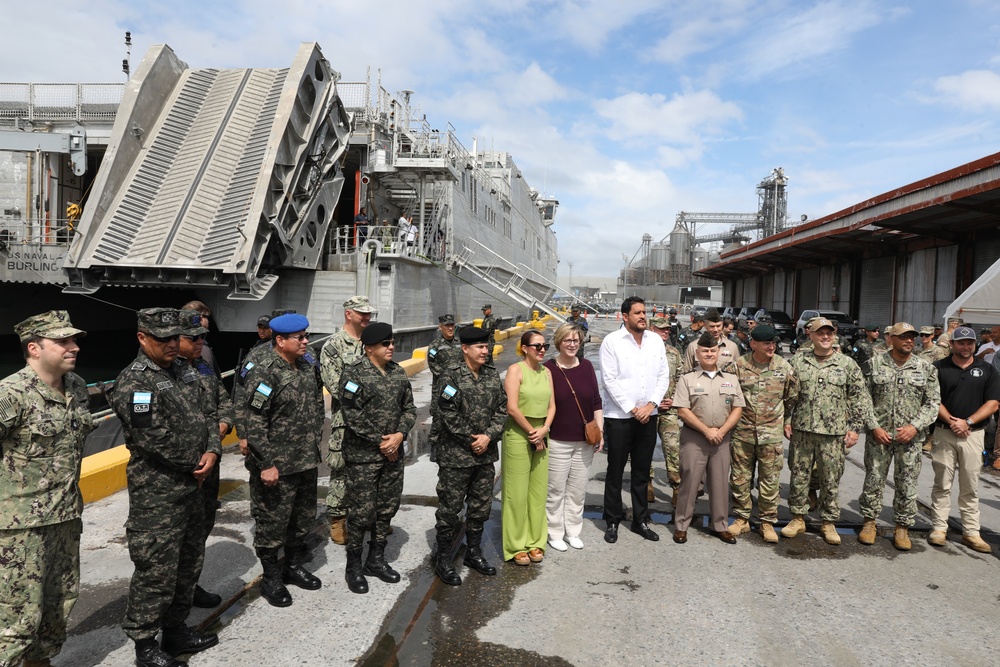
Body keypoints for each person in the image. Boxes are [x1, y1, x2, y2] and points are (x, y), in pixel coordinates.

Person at [109, 308, 220, 666]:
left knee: (189, 563)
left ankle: (176, 631)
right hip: (159, 495)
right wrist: (195, 462)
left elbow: (209, 414)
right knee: (156, 570)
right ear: (142, 338)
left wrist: (213, 450)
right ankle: (145, 645)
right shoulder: (134, 382)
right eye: (163, 339)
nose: (173, 344)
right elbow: (151, 437)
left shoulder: (185, 371)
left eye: (176, 337)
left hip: (194, 487)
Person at [0, 311, 93, 667]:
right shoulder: (11, 395)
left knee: (58, 608)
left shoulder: (78, 387)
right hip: (20, 530)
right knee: (16, 621)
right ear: (34, 348)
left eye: (74, 340)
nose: (74, 347)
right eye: (64, 341)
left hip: (66, 518)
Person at [242, 313, 325, 606]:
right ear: (280, 340)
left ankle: (291, 567)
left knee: (301, 519)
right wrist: (265, 463)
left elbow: (315, 402)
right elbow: (254, 421)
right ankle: (271, 577)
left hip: (304, 459)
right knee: (272, 523)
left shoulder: (305, 366)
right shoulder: (264, 372)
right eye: (299, 338)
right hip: (276, 464)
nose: (306, 342)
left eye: (306, 336)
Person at [782, 317, 876, 545]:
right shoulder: (798, 361)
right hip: (802, 430)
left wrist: (854, 429)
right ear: (811, 336)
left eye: (829, 333)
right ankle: (797, 517)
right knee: (799, 475)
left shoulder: (847, 364)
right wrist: (786, 419)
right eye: (820, 333)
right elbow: (787, 394)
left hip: (833, 434)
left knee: (830, 479)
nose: (825, 337)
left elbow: (860, 399)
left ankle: (828, 521)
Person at [339, 322, 416, 594]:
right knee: (361, 512)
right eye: (385, 344)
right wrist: (382, 441)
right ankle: (354, 566)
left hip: (392, 455)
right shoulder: (353, 374)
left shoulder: (397, 373)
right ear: (369, 347)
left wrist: (399, 434)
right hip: (364, 457)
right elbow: (352, 414)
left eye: (392, 342)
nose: (391, 347)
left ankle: (376, 559)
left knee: (386, 508)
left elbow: (409, 408)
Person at [433, 327, 507, 586]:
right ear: (465, 348)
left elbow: (502, 408)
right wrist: (472, 439)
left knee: (480, 506)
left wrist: (488, 436)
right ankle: (443, 558)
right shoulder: (450, 377)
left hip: (484, 455)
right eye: (480, 347)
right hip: (456, 456)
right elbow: (447, 413)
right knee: (450, 509)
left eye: (486, 347)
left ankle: (473, 553)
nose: (485, 351)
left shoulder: (491, 375)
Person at [857, 323, 940, 551]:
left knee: (907, 483)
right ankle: (869, 523)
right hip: (879, 436)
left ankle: (902, 527)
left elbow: (933, 403)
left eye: (912, 337)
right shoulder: (874, 365)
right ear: (891, 339)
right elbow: (864, 399)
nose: (909, 340)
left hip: (910, 439)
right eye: (903, 337)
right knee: (874, 479)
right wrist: (874, 427)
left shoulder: (925, 367)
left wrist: (914, 427)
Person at [599, 296, 670, 544]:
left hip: (648, 416)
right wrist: (632, 408)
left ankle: (640, 520)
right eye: (637, 312)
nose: (643, 316)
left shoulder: (655, 342)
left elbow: (663, 376)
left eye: (644, 312)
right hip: (619, 418)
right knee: (615, 471)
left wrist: (650, 405)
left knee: (641, 472)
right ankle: (612, 520)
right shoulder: (612, 342)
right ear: (625, 316)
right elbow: (609, 380)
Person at [178, 310, 234, 608]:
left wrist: (221, 430)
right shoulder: (164, 373)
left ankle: (190, 584)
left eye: (203, 337)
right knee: (175, 539)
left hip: (209, 466)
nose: (201, 342)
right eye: (194, 338)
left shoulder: (202, 367)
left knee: (200, 529)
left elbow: (224, 404)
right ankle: (172, 596)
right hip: (182, 471)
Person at [725, 325, 799, 544]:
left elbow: (792, 398)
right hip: (743, 432)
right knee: (740, 478)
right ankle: (741, 518)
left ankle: (767, 522)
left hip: (771, 434)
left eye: (774, 343)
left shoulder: (784, 367)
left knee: (770, 480)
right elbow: (728, 397)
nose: (771, 347)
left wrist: (786, 421)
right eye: (767, 343)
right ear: (753, 344)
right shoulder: (738, 367)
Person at [929, 326, 1000, 553]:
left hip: (973, 435)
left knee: (970, 485)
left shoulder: (987, 370)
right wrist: (952, 421)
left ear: (975, 344)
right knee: (942, 483)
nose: (966, 346)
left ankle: (971, 532)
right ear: (952, 345)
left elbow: (993, 403)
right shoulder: (939, 367)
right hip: (944, 432)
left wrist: (967, 422)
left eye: (970, 343)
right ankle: (939, 528)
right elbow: (933, 399)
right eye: (961, 343)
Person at [672, 332, 745, 544]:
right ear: (697, 353)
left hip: (722, 439)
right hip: (695, 438)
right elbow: (683, 411)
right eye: (705, 351)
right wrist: (707, 430)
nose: (709, 354)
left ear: (720, 353)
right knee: (690, 482)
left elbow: (738, 408)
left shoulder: (731, 379)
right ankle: (682, 526)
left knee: (720, 483)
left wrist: (721, 432)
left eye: (713, 350)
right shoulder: (687, 379)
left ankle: (720, 525)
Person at [543, 324, 603, 551]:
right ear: (559, 342)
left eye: (576, 340)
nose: (572, 344)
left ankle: (573, 530)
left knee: (578, 490)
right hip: (558, 439)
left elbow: (596, 401)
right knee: (556, 490)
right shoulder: (548, 368)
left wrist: (600, 431)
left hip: (585, 440)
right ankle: (555, 532)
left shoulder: (587, 366)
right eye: (567, 340)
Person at [320, 296, 373, 544]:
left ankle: (367, 517)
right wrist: (374, 391)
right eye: (362, 313)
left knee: (372, 469)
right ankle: (338, 519)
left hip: (374, 421)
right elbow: (337, 386)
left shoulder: (373, 341)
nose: (367, 316)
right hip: (347, 421)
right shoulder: (333, 347)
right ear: (348, 314)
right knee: (341, 471)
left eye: (369, 312)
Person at [502, 330, 555, 564]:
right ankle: (515, 545)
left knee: (537, 492)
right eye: (537, 346)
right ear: (524, 348)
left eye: (545, 346)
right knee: (516, 493)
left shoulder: (547, 372)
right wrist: (533, 433)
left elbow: (553, 406)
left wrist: (543, 430)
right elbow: (512, 407)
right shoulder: (516, 370)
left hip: (542, 433)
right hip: (519, 433)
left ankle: (535, 541)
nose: (542, 350)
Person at [648, 316, 684, 505]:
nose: (666, 332)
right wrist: (651, 402)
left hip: (669, 410)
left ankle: (677, 487)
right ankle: (648, 484)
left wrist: (674, 400)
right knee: (645, 449)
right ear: (650, 329)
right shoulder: (642, 352)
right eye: (661, 329)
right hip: (648, 410)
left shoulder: (674, 353)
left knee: (673, 447)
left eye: (667, 329)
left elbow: (681, 378)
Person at [428, 314, 463, 463]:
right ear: (440, 327)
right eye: (447, 325)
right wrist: (446, 376)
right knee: (438, 414)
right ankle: (434, 445)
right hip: (442, 387)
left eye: (452, 325)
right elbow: (432, 363)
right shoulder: (435, 346)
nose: (450, 328)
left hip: (459, 385)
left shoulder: (460, 343)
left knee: (459, 412)